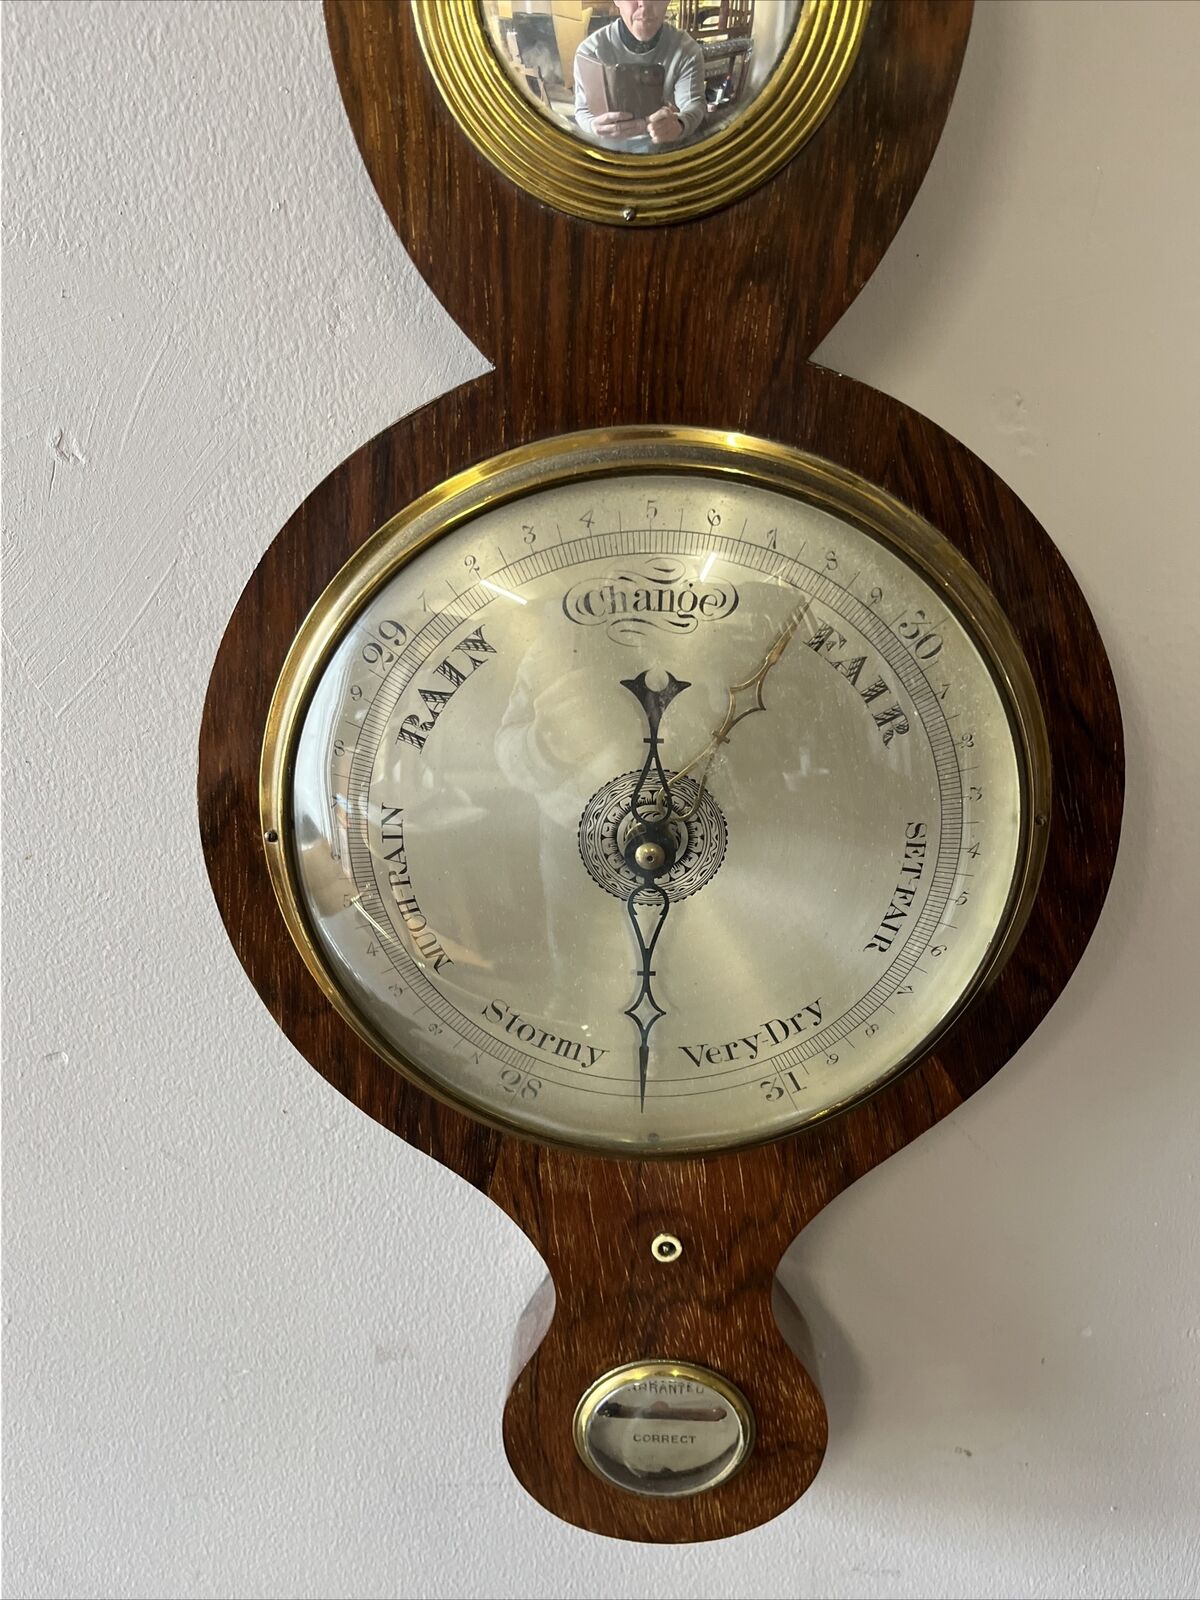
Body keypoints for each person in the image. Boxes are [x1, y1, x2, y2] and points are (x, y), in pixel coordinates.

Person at [573, 1, 706, 153]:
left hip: (664, 153)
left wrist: (680, 124)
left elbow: (694, 104)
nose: (644, 5)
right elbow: (582, 110)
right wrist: (592, 125)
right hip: (608, 155)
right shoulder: (590, 52)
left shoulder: (686, 50)